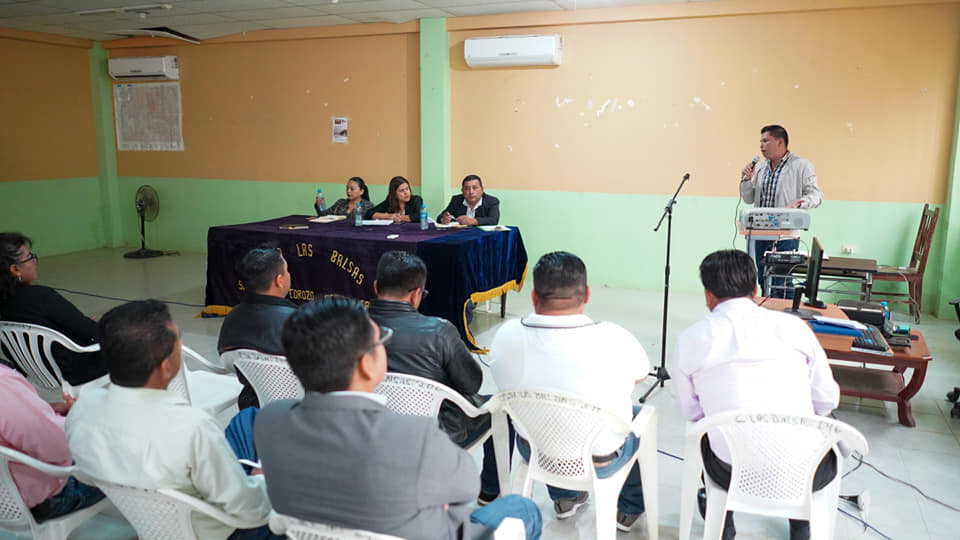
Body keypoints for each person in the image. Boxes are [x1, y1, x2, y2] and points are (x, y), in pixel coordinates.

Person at [255, 297, 542, 540]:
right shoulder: (415, 436)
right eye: (381, 341)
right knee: (522, 509)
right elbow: (466, 488)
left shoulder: (269, 421)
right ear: (366, 364)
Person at [65, 300, 280, 540]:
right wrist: (261, 476)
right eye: (178, 341)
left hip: (153, 522)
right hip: (222, 532)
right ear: (166, 366)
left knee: (249, 418)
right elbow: (250, 513)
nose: (182, 345)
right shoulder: (192, 427)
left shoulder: (83, 408)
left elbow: (84, 476)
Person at [672, 249, 840, 540]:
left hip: (730, 472)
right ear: (755, 290)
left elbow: (691, 412)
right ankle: (802, 524)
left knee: (707, 435)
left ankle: (723, 524)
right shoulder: (795, 328)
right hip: (806, 472)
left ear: (708, 295)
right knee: (816, 429)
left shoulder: (689, 340)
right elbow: (827, 400)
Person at [488, 251, 650, 531]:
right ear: (587, 295)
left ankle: (565, 497)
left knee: (544, 410)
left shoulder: (506, 335)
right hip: (601, 458)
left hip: (537, 449)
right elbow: (640, 375)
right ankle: (628, 508)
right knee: (638, 416)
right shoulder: (613, 337)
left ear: (534, 296)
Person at [367, 251, 501, 504]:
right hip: (435, 437)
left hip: (372, 433)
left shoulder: (350, 326)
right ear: (416, 294)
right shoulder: (439, 331)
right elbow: (472, 383)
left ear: (375, 287)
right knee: (500, 408)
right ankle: (490, 491)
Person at [0, 363, 105, 524]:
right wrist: (77, 417)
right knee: (122, 450)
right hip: (37, 500)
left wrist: (43, 412)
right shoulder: (4, 383)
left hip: (6, 499)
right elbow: (60, 449)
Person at [0, 232, 106, 385]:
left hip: (39, 372)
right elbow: (91, 331)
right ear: (15, 269)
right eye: (30, 257)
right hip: (77, 369)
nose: (35, 261)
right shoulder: (41, 296)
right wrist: (89, 325)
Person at [738, 125, 823, 295]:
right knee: (763, 277)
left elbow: (816, 195)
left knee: (782, 281)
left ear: (780, 142)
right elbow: (749, 199)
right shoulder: (760, 168)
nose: (761, 145)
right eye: (760, 141)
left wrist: (800, 202)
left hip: (786, 235)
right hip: (761, 233)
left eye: (765, 141)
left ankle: (785, 310)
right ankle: (768, 308)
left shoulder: (801, 165)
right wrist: (746, 181)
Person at [218, 245, 296, 409]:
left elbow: (227, 362)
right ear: (279, 280)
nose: (289, 275)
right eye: (287, 271)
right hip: (300, 409)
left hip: (251, 406)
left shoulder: (232, 317)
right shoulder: (299, 321)